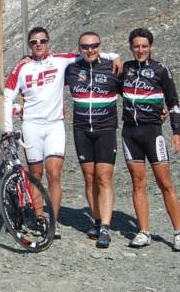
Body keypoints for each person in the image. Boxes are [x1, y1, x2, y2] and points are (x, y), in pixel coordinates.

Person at [4, 26, 121, 238]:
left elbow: (88, 53)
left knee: (54, 173)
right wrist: (8, 128)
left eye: (42, 41)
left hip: (55, 125)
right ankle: (39, 219)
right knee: (35, 174)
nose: (39, 45)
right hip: (31, 125)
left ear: (48, 42)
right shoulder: (22, 67)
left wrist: (114, 56)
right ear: (29, 45)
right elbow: (7, 95)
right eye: (34, 42)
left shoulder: (60, 61)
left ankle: (53, 221)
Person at [121, 27, 180, 250]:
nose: (140, 50)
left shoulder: (161, 69)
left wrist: (177, 132)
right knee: (138, 183)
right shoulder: (125, 68)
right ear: (131, 47)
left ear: (151, 47)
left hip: (153, 133)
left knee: (165, 183)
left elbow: (173, 103)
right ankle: (144, 231)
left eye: (144, 46)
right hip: (130, 133)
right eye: (136, 46)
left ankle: (178, 232)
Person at [65, 32, 121, 248]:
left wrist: (160, 111)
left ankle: (106, 227)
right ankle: (97, 221)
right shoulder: (71, 68)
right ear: (79, 48)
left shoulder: (112, 68)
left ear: (100, 46)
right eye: (85, 46)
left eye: (94, 46)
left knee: (104, 177)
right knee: (89, 178)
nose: (90, 50)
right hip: (81, 129)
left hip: (105, 128)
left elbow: (132, 90)